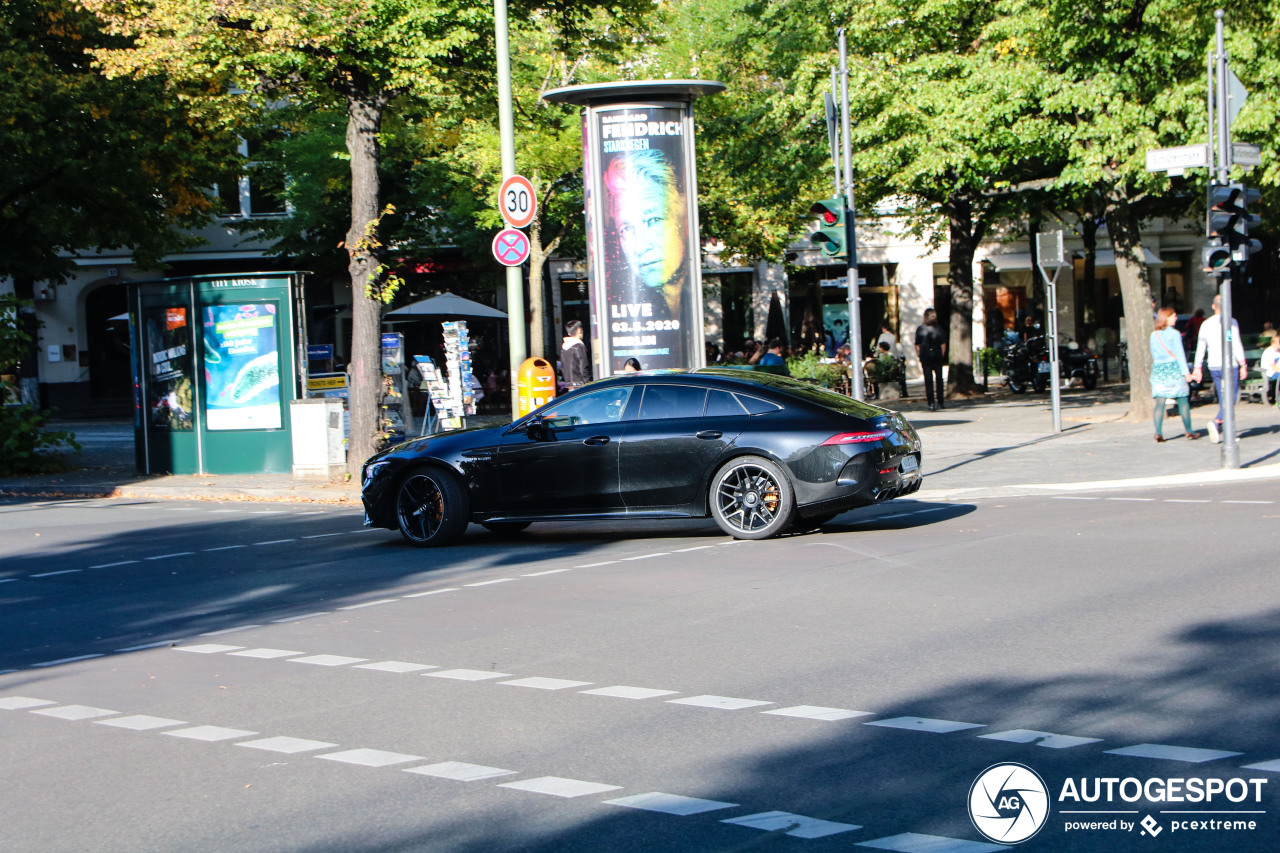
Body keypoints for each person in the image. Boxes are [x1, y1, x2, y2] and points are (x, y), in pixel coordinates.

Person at [1190, 294, 1247, 443]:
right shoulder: (1232, 322)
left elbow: (1201, 347)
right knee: (1232, 397)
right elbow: (1236, 344)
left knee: (1223, 399)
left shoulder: (1206, 324)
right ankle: (1217, 422)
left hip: (1214, 365)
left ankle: (1226, 430)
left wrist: (1197, 367)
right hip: (1230, 365)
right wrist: (1243, 364)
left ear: (1213, 306)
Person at [1149, 307, 1196, 442]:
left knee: (1160, 403)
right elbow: (1180, 355)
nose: (1176, 318)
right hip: (1174, 369)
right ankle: (1189, 430)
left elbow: (1153, 354)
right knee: (1183, 400)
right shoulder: (1175, 334)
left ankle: (1158, 432)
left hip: (1159, 369)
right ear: (1166, 318)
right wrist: (1186, 373)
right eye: (1173, 316)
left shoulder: (1154, 334)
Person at [915, 308, 947, 411]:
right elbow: (943, 344)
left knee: (928, 380)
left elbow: (917, 344)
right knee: (939, 380)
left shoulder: (920, 329)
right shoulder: (938, 329)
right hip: (936, 355)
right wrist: (941, 355)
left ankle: (931, 403)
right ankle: (940, 401)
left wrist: (919, 355)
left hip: (925, 355)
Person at [561, 320, 589, 390]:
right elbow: (583, 367)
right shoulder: (579, 346)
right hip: (580, 384)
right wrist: (587, 383)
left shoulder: (564, 348)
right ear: (579, 330)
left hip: (569, 384)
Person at [1261, 335, 1280, 406]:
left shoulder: (1277, 351)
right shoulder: (1269, 352)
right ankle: (1278, 400)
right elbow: (1273, 367)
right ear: (1275, 343)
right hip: (1270, 373)